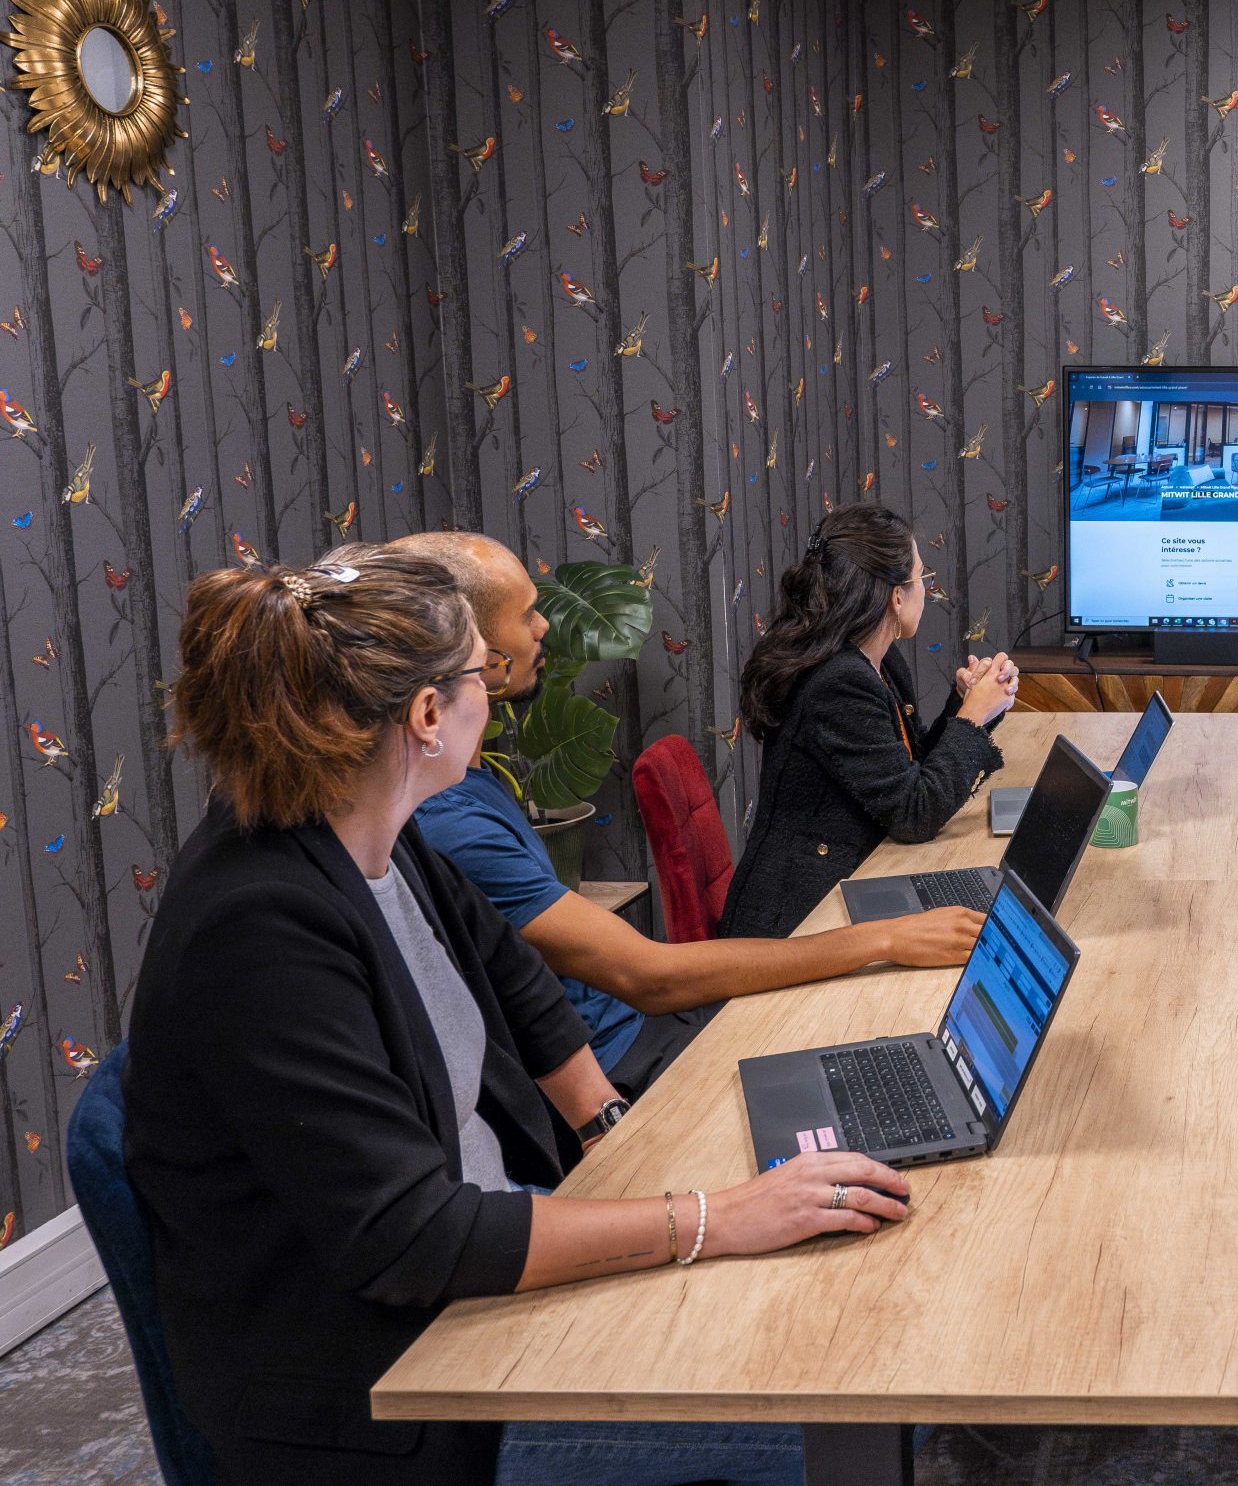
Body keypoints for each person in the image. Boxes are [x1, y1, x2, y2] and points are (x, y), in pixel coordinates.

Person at [124, 547, 915, 1486]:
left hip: (474, 1289)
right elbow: (413, 1235)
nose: (491, 694)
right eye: (476, 676)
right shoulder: (259, 923)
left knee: (823, 1318)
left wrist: (609, 1125)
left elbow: (519, 982)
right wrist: (710, 1218)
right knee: (825, 1414)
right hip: (400, 1402)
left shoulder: (372, 829)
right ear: (427, 715)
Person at [389, 532, 984, 1100]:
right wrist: (884, 938)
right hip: (625, 1055)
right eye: (524, 617)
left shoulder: (468, 780)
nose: (545, 627)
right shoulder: (447, 823)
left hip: (626, 1034)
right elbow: (647, 977)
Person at [720, 505, 1019, 941]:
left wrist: (967, 704)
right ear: (896, 595)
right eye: (922, 577)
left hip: (849, 881)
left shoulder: (877, 660)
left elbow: (909, 773)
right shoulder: (838, 681)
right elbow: (915, 814)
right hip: (794, 921)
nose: (926, 588)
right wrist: (973, 717)